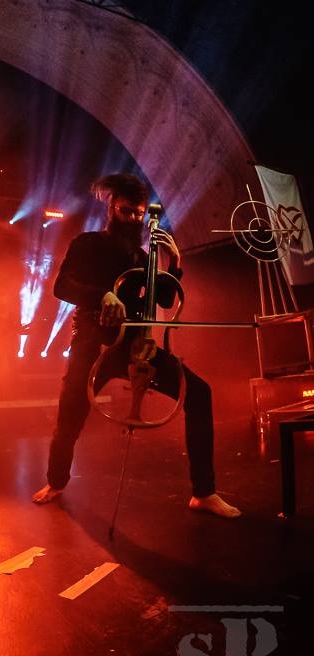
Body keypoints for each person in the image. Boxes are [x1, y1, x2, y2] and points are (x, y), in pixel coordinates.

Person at [32, 173, 240, 518]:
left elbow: (166, 299)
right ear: (112, 208)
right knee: (71, 413)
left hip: (135, 346)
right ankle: (56, 481)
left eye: (139, 213)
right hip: (93, 343)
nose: (133, 219)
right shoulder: (87, 243)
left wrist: (175, 263)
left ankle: (203, 493)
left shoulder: (143, 258)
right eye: (126, 211)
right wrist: (103, 295)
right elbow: (62, 286)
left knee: (199, 393)